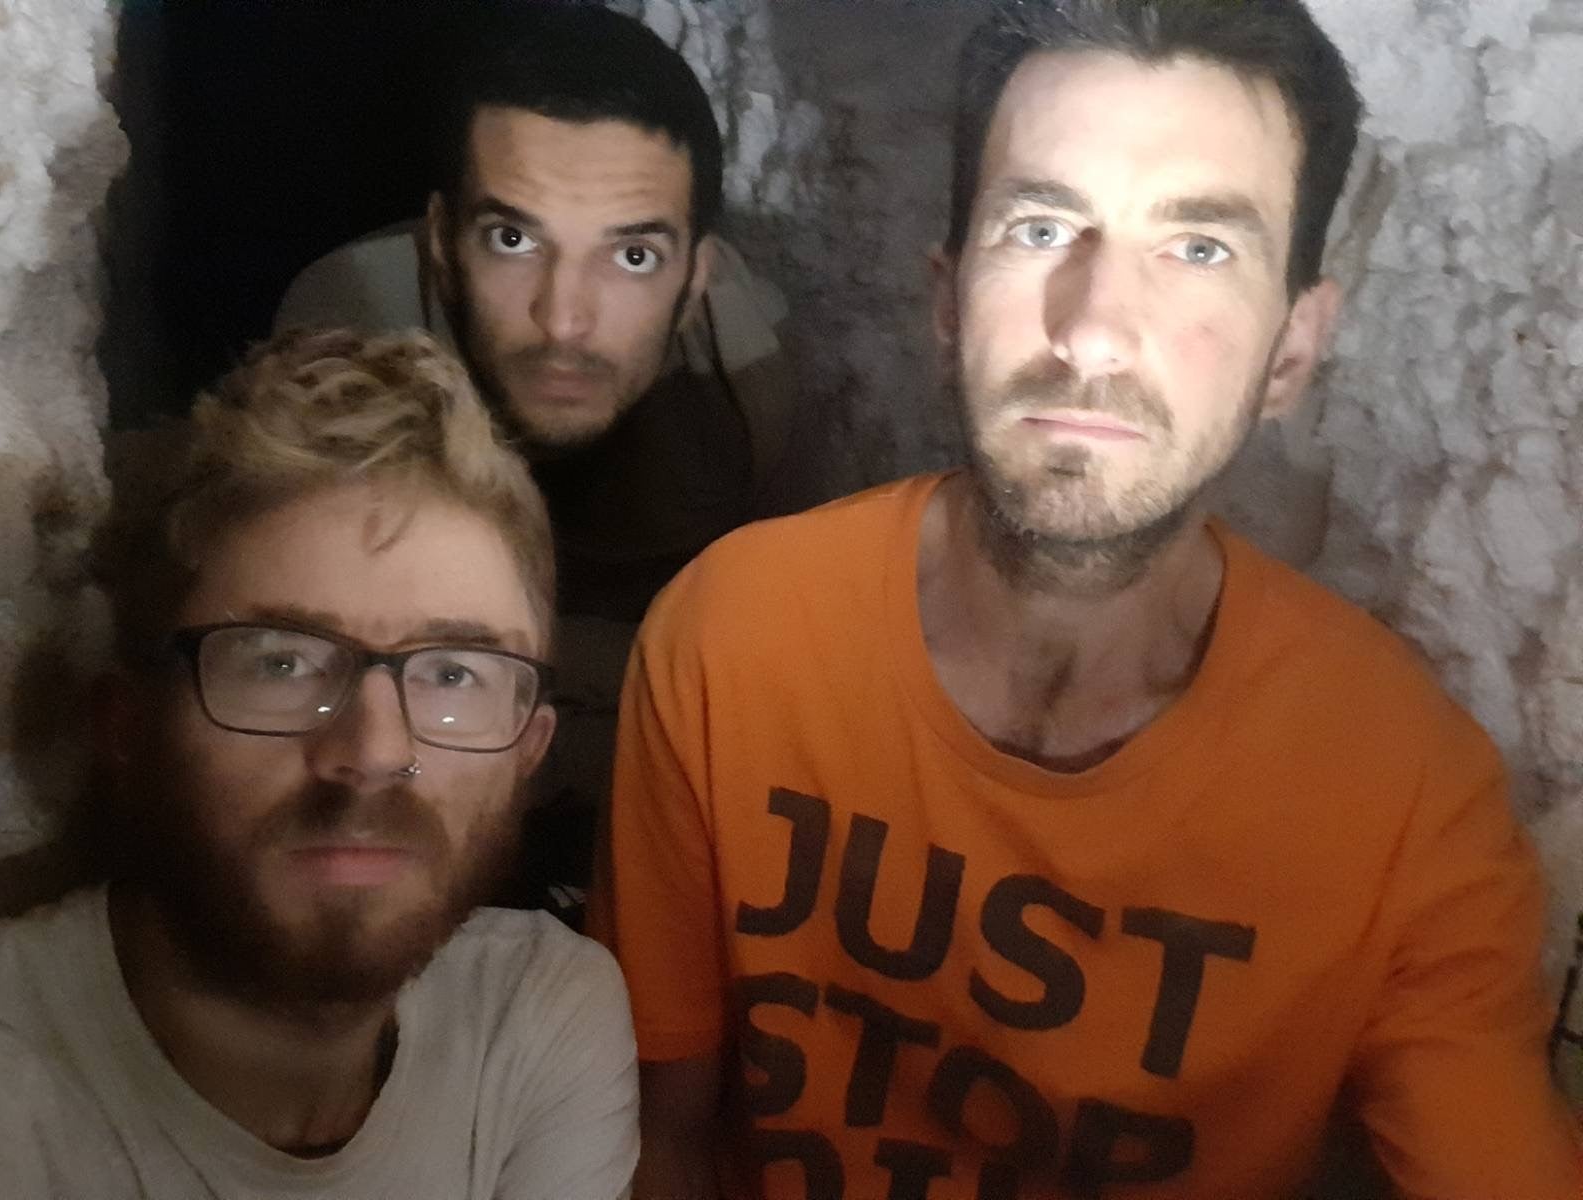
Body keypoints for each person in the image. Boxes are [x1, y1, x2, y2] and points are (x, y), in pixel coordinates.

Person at [595, 2, 1583, 1197]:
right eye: (1041, 222)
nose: (1093, 331)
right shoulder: (732, 639)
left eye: (1199, 247)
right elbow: (659, 1138)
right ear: (949, 296)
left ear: (1291, 348)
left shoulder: (1406, 802)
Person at [0, 330, 638, 1198]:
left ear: (529, 752)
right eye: (280, 662)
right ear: (129, 729)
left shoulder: (538, 1019)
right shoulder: (6, 1079)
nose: (372, 755)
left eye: (452, 674)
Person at [274, 1, 799, 923]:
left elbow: (755, 671)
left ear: (696, 281)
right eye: (514, 240)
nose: (565, 320)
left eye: (632, 255)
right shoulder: (347, 325)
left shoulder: (743, 387)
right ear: (441, 244)